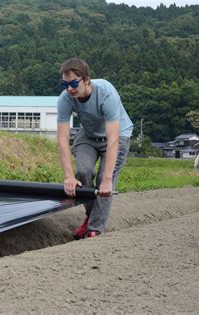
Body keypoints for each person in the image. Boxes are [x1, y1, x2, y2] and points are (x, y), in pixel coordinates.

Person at [57, 58, 133, 239]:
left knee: (103, 180)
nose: (70, 89)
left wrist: (107, 179)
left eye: (74, 83)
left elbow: (113, 138)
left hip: (116, 136)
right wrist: (68, 177)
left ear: (86, 80)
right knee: (82, 172)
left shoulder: (106, 92)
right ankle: (91, 216)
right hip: (89, 134)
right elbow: (62, 138)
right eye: (65, 84)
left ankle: (94, 229)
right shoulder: (65, 98)